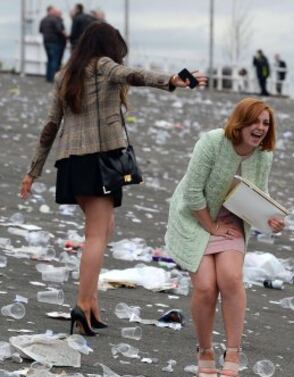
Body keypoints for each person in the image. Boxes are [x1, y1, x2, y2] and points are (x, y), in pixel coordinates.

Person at [20, 22, 207, 336]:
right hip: (99, 160)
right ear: (108, 46)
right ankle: (81, 305)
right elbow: (133, 75)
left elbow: (51, 126)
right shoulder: (103, 66)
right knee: (96, 234)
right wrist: (173, 80)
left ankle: (91, 302)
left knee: (103, 228)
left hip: (71, 163)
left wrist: (34, 170)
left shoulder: (64, 74)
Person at [165, 97, 284, 377]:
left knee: (230, 278)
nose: (260, 128)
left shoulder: (263, 155)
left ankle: (233, 353)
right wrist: (211, 225)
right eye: (255, 121)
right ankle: (205, 352)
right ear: (240, 122)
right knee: (205, 286)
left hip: (230, 219)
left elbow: (258, 192)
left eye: (265, 123)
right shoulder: (212, 142)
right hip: (196, 216)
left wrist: (270, 218)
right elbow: (192, 193)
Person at [39, 5, 66, 82]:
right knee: (55, 60)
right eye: (54, 11)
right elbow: (59, 30)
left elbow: (40, 30)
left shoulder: (43, 20)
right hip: (54, 42)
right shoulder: (55, 20)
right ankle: (54, 78)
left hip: (46, 42)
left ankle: (48, 77)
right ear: (50, 11)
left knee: (49, 60)